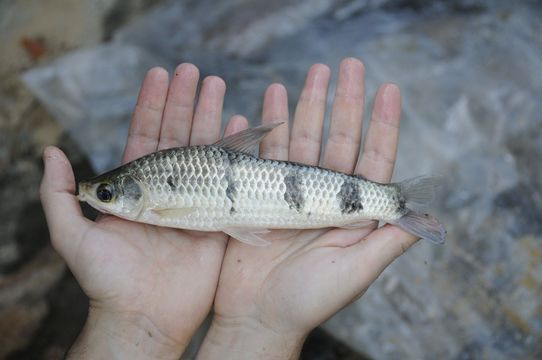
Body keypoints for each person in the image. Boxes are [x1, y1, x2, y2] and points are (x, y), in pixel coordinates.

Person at [40, 57, 419, 359]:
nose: (99, 200)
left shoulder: (151, 194)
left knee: (373, 196)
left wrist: (132, 328)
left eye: (106, 195)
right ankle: (390, 201)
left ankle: (390, 200)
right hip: (248, 203)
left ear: (135, 193)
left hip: (264, 199)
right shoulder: (150, 185)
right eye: (104, 195)